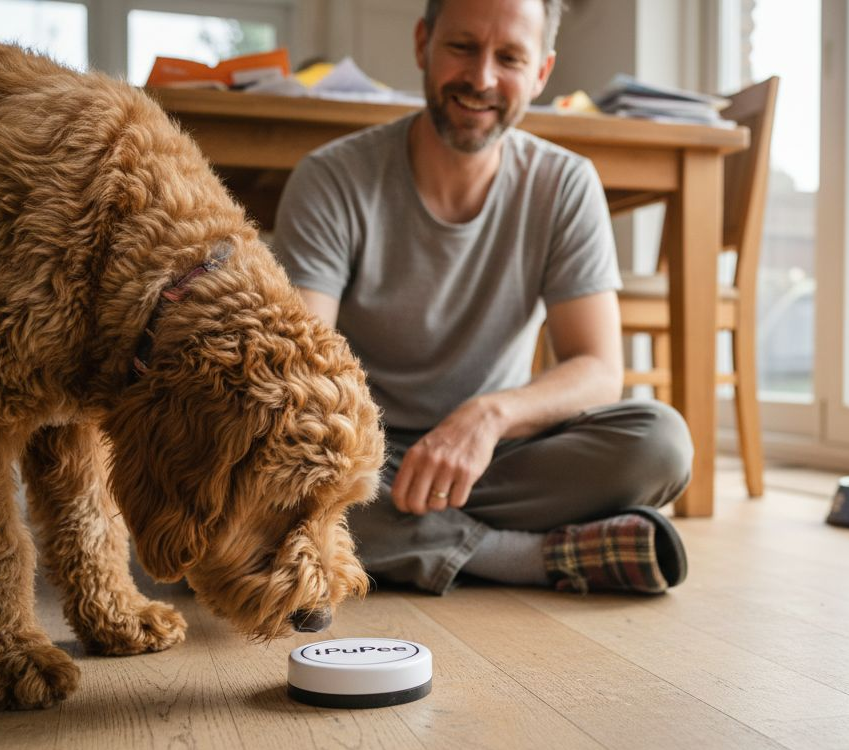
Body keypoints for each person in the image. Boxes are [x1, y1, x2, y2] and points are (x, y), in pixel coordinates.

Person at [271, 0, 693, 596]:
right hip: (360, 458)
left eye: (510, 58)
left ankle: (373, 541)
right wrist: (350, 461)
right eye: (462, 47)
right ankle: (534, 557)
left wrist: (488, 417)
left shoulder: (565, 185)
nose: (482, 78)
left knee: (660, 444)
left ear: (541, 73)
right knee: (280, 471)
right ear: (423, 43)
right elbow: (300, 378)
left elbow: (598, 369)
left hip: (496, 458)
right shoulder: (332, 179)